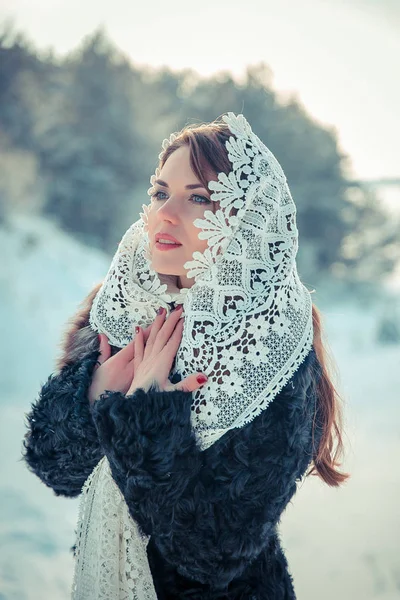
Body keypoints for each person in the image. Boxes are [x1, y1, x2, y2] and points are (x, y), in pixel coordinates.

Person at [22, 112, 348, 599]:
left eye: (199, 198)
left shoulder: (272, 346)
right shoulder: (118, 306)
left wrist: (146, 413)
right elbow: (56, 469)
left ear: (250, 219)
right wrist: (94, 395)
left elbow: (213, 552)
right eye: (159, 193)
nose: (165, 214)